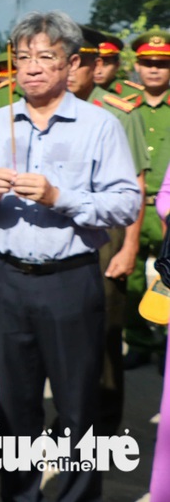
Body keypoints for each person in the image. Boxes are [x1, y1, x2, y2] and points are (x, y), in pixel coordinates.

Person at [0, 10, 141, 502]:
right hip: (11, 279)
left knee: (79, 403)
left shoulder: (100, 126)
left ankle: (79, 496)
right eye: (23, 58)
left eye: (45, 57)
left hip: (71, 280)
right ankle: (21, 497)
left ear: (71, 63)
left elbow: (125, 203)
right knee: (16, 407)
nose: (32, 67)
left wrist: (61, 196)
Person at [68, 25, 147, 434]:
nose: (69, 69)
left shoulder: (118, 111)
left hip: (107, 235)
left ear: (95, 64)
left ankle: (104, 424)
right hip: (63, 235)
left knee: (104, 331)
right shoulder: (47, 107)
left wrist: (130, 246)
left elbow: (136, 185)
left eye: (78, 61)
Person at [124, 30, 170, 370]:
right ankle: (139, 341)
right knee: (133, 278)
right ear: (137, 66)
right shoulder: (124, 107)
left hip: (168, 208)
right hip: (136, 205)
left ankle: (167, 345)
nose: (154, 70)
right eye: (148, 63)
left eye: (162, 64)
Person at [95, 31, 144, 104]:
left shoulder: (134, 92)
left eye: (106, 64)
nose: (98, 71)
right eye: (95, 64)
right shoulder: (77, 90)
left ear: (117, 65)